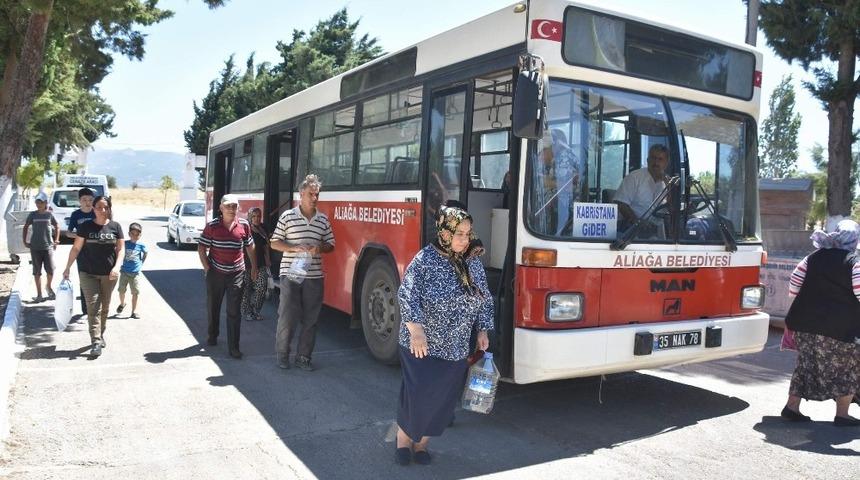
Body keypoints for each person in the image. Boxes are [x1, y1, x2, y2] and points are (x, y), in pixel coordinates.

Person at [394, 205, 494, 466]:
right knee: (418, 394)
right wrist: (416, 332)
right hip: (421, 344)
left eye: (468, 233)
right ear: (445, 232)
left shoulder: (472, 262)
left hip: (456, 346)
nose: (465, 239)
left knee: (442, 399)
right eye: (459, 233)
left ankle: (422, 444)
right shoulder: (425, 259)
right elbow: (407, 295)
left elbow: (483, 297)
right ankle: (404, 440)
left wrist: (482, 329)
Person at [781, 219, 860, 427]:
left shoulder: (813, 257)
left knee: (805, 365)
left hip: (804, 322)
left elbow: (794, 285)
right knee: (849, 368)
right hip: (839, 326)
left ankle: (791, 408)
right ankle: (842, 415)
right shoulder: (854, 261)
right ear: (854, 239)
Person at [270, 174, 335, 371]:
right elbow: (274, 243)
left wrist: (319, 249)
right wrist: (294, 248)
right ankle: (283, 355)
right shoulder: (287, 216)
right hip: (290, 275)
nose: (314, 198)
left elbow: (331, 245)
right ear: (301, 194)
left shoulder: (322, 219)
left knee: (311, 319)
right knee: (287, 316)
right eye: (310, 194)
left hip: (314, 276)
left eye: (317, 194)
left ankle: (304, 358)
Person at [62, 196, 124, 358]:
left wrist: (117, 267)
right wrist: (67, 267)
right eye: (98, 207)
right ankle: (96, 341)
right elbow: (76, 248)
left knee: (105, 307)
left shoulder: (115, 227)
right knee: (93, 307)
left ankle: (100, 334)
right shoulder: (85, 226)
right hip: (87, 272)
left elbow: (121, 250)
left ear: (109, 208)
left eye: (105, 207)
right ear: (93, 208)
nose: (102, 210)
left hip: (109, 275)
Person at [198, 194, 257, 360]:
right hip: (215, 273)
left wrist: (254, 267)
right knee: (213, 307)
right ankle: (213, 334)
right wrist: (207, 268)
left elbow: (250, 247)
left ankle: (234, 347)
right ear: (221, 208)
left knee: (234, 312)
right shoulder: (212, 226)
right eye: (228, 206)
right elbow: (202, 247)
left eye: (234, 206)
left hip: (237, 274)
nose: (231, 209)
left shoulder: (244, 225)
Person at [613, 144, 670, 238]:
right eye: (653, 158)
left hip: (658, 232)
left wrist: (670, 187)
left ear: (666, 163)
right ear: (648, 160)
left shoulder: (669, 183)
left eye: (660, 159)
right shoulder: (635, 177)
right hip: (631, 231)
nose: (656, 162)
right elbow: (620, 203)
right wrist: (637, 222)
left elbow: (673, 209)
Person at [534, 129, 583, 235]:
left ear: (552, 147)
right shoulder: (557, 159)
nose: (540, 157)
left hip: (566, 215)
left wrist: (544, 182)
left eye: (541, 152)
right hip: (562, 212)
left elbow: (566, 186)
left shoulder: (563, 158)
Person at [23, 192, 59, 302]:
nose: (39, 204)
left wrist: (56, 240)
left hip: (48, 247)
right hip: (35, 247)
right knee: (37, 272)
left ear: (46, 203)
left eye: (41, 202)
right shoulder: (32, 215)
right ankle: (39, 294)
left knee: (50, 270)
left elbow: (57, 225)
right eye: (37, 202)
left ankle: (48, 286)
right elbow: (26, 227)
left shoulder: (49, 215)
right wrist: (25, 241)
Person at [67, 187, 96, 314]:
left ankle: (95, 306)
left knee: (97, 279)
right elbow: (68, 233)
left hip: (97, 251)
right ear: (79, 201)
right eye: (84, 200)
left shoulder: (97, 212)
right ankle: (85, 309)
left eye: (90, 200)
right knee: (84, 278)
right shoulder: (76, 215)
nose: (87, 202)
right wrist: (80, 236)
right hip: (81, 252)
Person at [241, 207, 271, 322]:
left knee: (262, 287)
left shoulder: (263, 228)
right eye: (254, 216)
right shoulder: (245, 228)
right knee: (246, 289)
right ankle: (247, 312)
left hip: (261, 263)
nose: (257, 218)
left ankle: (255, 310)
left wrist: (268, 259)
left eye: (259, 216)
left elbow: (266, 245)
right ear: (249, 217)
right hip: (246, 264)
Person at [116, 222, 148, 319]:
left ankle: (134, 311)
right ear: (129, 234)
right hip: (124, 271)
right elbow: (118, 251)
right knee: (121, 290)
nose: (135, 236)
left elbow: (145, 253)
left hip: (135, 273)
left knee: (135, 292)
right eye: (132, 234)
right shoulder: (125, 244)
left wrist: (141, 263)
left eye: (137, 234)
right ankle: (122, 303)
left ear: (140, 235)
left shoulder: (141, 245)